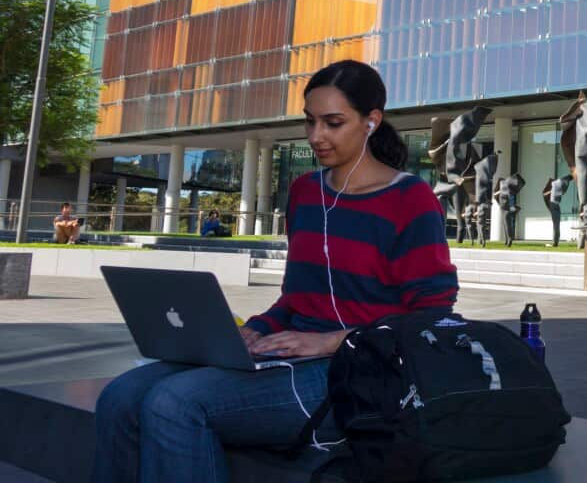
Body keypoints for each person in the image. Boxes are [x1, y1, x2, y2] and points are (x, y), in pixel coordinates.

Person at [92, 60, 458, 483]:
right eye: (310, 122)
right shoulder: (304, 192)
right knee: (120, 396)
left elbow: (432, 316)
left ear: (371, 122)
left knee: (176, 403)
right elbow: (296, 300)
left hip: (360, 377)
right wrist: (256, 331)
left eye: (333, 123)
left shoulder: (410, 199)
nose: (316, 136)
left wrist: (329, 340)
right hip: (289, 355)